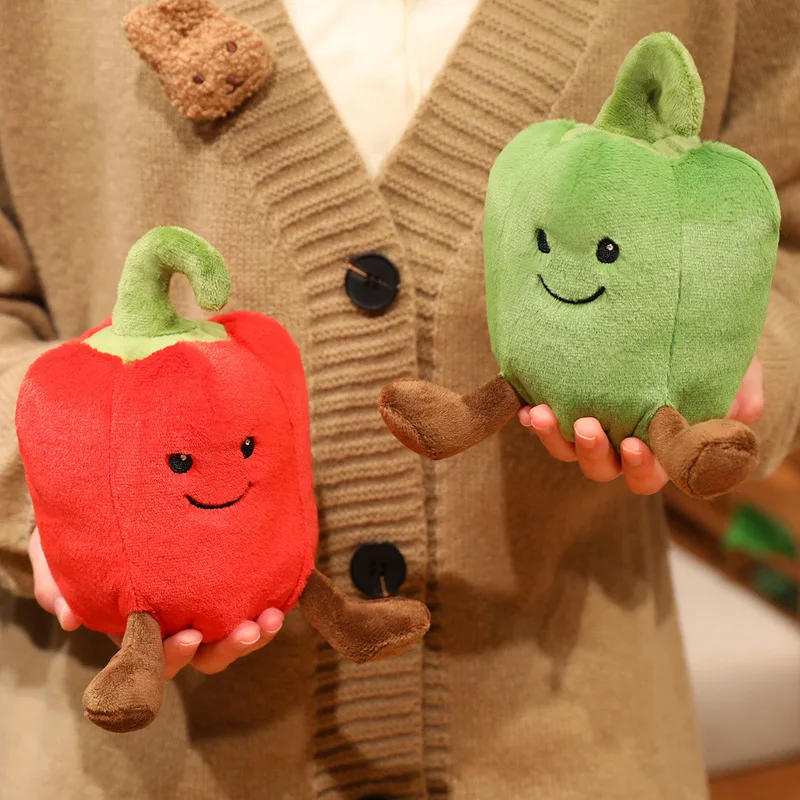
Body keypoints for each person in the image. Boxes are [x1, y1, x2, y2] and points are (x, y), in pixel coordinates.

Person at [0, 0, 798, 797]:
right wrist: (70, 492)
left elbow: (785, 230)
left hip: (570, 735)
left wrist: (727, 356)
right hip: (152, 761)